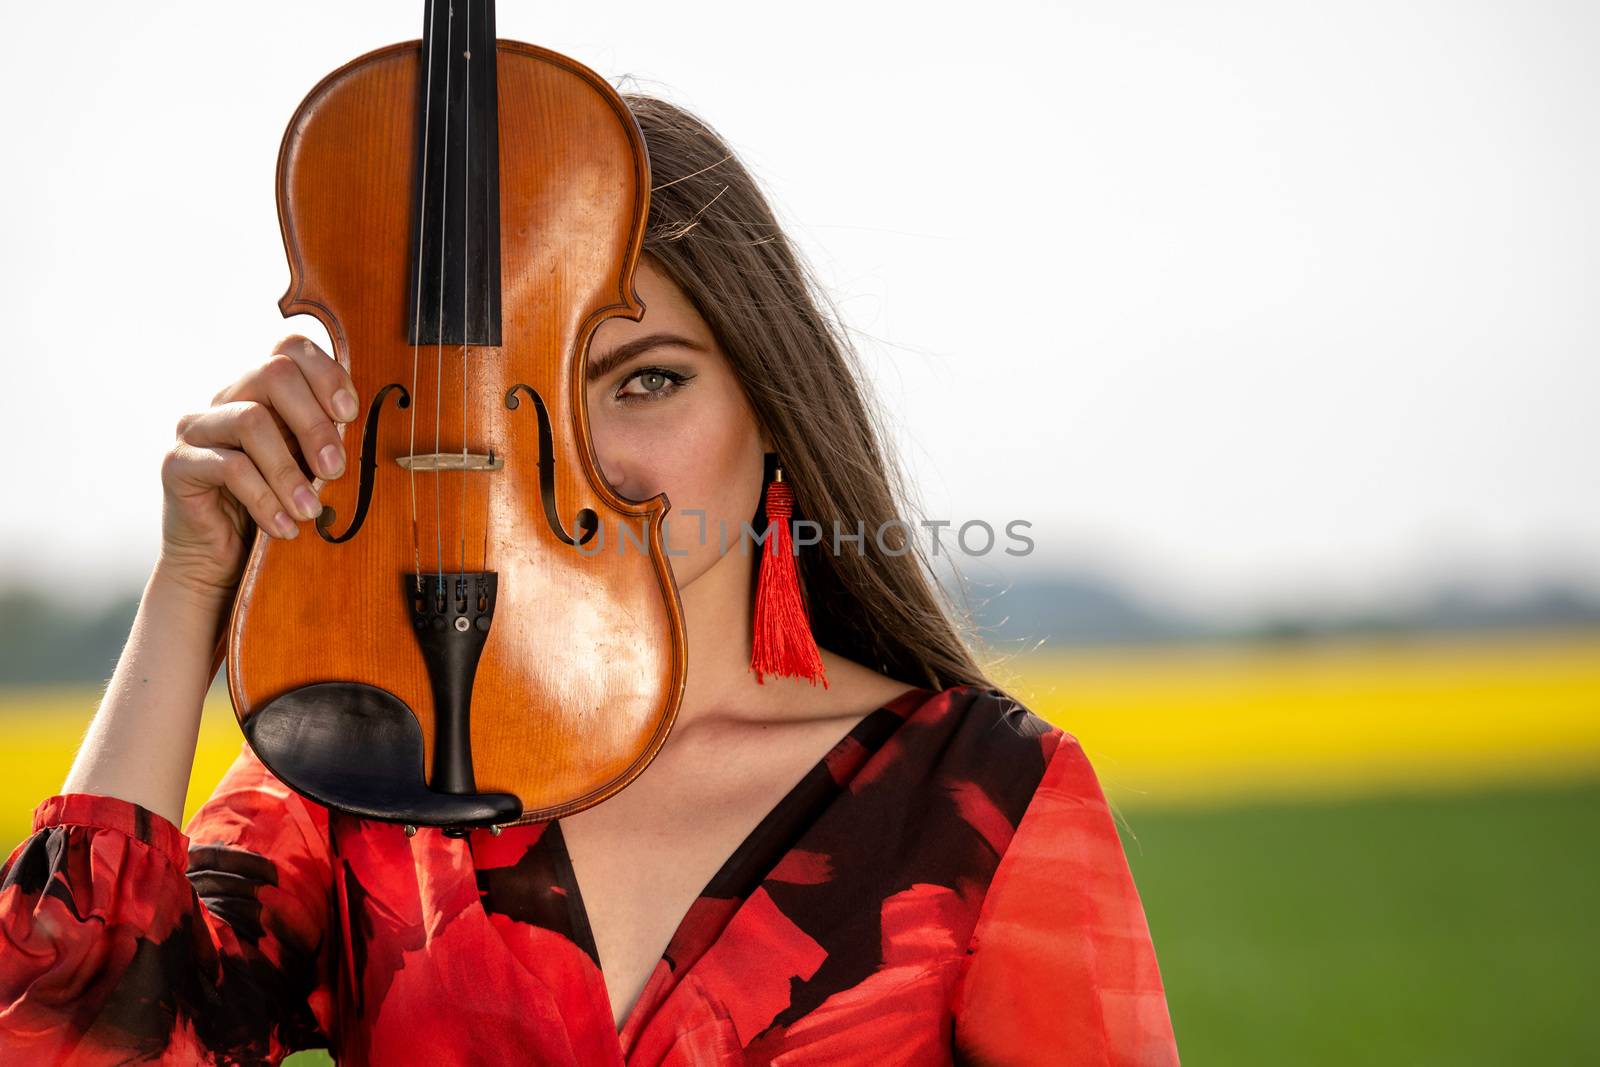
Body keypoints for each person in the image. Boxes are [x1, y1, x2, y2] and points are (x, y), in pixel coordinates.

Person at [0, 93, 1180, 1066]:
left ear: (769, 403)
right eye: (516, 395)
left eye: (644, 380)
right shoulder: (366, 768)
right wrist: (192, 575)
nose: (577, 458)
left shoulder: (989, 794)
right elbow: (65, 1041)